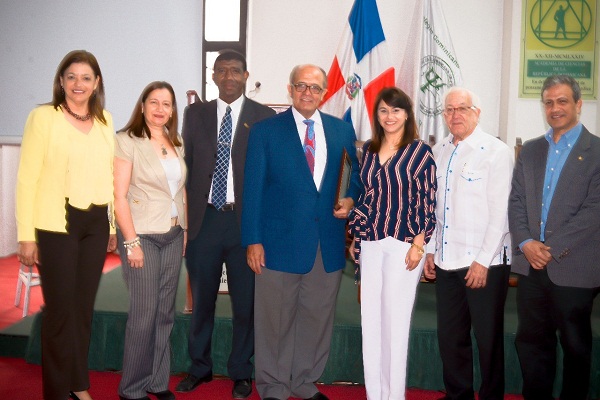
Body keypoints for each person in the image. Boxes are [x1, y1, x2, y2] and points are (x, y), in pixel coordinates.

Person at [242, 64, 361, 400]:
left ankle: (304, 382)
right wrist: (252, 240)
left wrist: (351, 197)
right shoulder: (266, 131)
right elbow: (252, 190)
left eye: (315, 87)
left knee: (317, 317)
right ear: (290, 89)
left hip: (327, 243)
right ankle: (274, 386)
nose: (308, 93)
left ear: (325, 93)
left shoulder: (341, 131)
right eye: (301, 86)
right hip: (276, 242)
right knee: (274, 321)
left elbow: (353, 178)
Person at [15, 50, 116, 400]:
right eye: (71, 76)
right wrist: (26, 235)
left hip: (95, 223)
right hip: (56, 223)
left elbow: (109, 177)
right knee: (60, 312)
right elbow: (27, 179)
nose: (78, 84)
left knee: (82, 310)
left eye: (86, 77)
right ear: (61, 81)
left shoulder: (105, 122)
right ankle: (57, 391)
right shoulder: (43, 117)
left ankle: (78, 384)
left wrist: (113, 226)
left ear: (97, 83)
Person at [176, 50, 275, 398]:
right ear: (213, 76)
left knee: (245, 302)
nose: (229, 76)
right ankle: (199, 368)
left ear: (247, 76)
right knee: (201, 299)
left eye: (235, 71)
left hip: (244, 225)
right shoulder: (195, 114)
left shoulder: (264, 116)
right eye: (222, 71)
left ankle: (241, 371)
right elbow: (185, 167)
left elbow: (269, 175)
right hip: (204, 221)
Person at [508, 75, 600, 400]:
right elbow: (516, 200)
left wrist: (549, 248)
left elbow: (594, 211)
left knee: (575, 348)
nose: (555, 108)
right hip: (531, 269)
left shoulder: (597, 151)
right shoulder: (531, 150)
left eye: (562, 101)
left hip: (575, 268)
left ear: (578, 104)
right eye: (549, 102)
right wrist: (524, 243)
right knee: (531, 344)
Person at [423, 87, 513, 400]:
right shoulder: (439, 151)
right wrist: (431, 250)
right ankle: (457, 394)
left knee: (487, 340)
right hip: (447, 261)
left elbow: (501, 213)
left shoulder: (496, 151)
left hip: (484, 264)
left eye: (462, 108)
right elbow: (436, 209)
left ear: (477, 112)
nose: (455, 115)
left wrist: (483, 260)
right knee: (451, 337)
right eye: (449, 110)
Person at [349, 87, 437, 400]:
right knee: (371, 321)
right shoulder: (369, 151)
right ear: (377, 115)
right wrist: (357, 235)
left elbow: (429, 202)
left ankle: (394, 395)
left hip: (404, 244)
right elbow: (365, 197)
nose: (390, 116)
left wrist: (419, 243)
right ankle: (376, 394)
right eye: (384, 110)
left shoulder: (420, 152)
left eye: (396, 110)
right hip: (371, 241)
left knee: (396, 323)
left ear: (407, 114)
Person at [113, 81, 187, 400]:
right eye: (154, 102)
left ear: (173, 111)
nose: (160, 109)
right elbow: (118, 196)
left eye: (166, 104)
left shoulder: (175, 142)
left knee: (164, 313)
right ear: (142, 106)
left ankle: (157, 382)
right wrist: (130, 243)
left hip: (172, 234)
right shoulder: (126, 140)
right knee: (144, 315)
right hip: (141, 235)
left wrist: (183, 231)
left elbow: (179, 190)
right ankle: (131, 389)